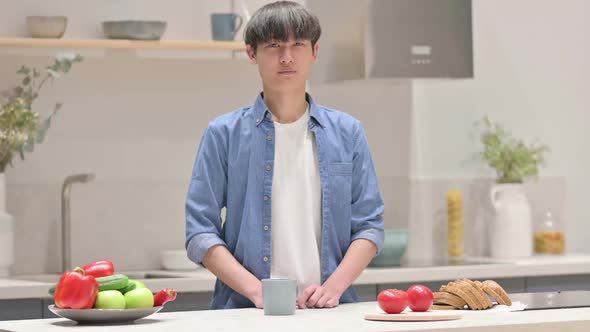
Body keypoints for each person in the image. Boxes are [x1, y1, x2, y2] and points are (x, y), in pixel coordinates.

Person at [185, 1, 384, 310]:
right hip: (245, 311)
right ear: (252, 53)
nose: (287, 57)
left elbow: (370, 226)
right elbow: (200, 232)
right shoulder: (223, 134)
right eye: (274, 45)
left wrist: (333, 288)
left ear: (314, 52)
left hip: (331, 311)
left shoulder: (349, 132)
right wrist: (257, 291)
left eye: (298, 45)